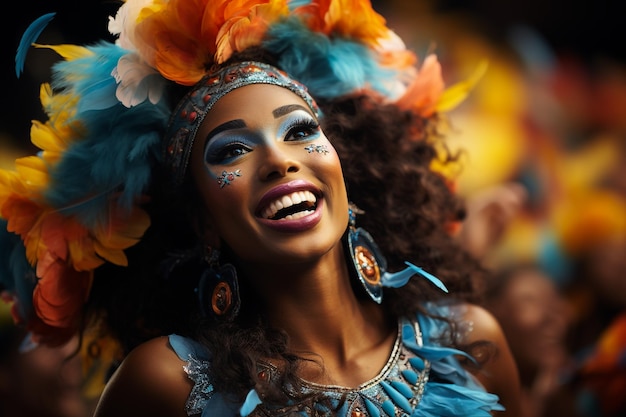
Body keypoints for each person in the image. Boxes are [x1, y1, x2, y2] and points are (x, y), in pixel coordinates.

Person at [1, 1, 522, 416]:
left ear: (349, 174)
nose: (278, 159)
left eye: (299, 131)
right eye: (231, 151)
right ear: (204, 222)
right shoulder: (166, 386)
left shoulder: (469, 344)